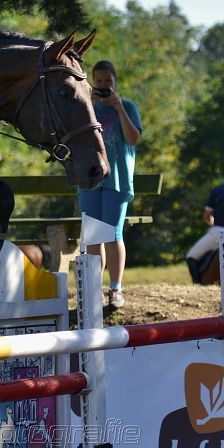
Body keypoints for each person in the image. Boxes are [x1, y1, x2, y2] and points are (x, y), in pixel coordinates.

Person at [77, 60, 142, 309]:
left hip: (117, 180)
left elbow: (133, 139)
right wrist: (89, 103)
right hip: (91, 180)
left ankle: (115, 288)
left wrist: (118, 108)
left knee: (113, 234)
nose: (104, 86)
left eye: (108, 82)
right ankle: (93, 290)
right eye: (99, 82)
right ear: (93, 82)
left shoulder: (127, 106)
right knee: (93, 235)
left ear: (115, 82)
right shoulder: (87, 108)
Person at [185, 157, 224, 284]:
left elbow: (207, 216)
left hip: (219, 233)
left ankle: (198, 287)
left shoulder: (216, 190)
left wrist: (213, 222)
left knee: (191, 256)